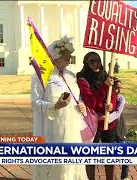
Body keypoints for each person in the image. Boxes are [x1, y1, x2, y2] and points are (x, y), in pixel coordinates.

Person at [31, 36, 87, 180]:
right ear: (56, 57)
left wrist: (81, 106)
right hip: (53, 131)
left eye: (70, 57)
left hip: (72, 130)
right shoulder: (41, 77)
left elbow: (76, 98)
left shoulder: (71, 75)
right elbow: (35, 103)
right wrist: (54, 106)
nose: (69, 60)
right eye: (66, 57)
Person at [76, 52, 116, 180]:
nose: (95, 64)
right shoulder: (83, 80)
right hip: (92, 123)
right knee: (91, 155)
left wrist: (111, 107)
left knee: (110, 155)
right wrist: (105, 86)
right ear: (86, 64)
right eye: (91, 62)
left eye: (97, 60)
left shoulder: (107, 76)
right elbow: (91, 102)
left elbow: (113, 96)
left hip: (108, 122)